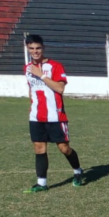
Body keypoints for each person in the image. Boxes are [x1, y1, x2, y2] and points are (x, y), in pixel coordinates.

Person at [23, 34, 84, 193]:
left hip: (55, 116)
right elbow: (31, 88)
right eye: (31, 49)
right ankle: (42, 183)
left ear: (43, 48)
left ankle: (78, 171)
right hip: (36, 116)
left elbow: (60, 88)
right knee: (39, 148)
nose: (35, 51)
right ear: (27, 49)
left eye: (38, 48)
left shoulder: (55, 66)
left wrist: (41, 75)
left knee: (64, 148)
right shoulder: (27, 68)